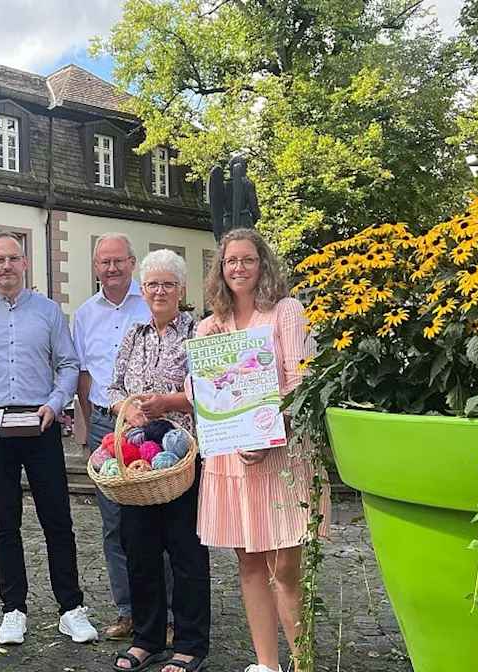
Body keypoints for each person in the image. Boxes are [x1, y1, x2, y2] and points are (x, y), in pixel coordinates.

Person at [0, 231, 99, 646]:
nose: (7, 266)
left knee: (57, 519)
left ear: (25, 263)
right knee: (5, 521)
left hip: (40, 423)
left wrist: (55, 404)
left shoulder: (49, 312)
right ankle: (13, 608)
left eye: (13, 258)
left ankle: (71, 607)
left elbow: (68, 364)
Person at [196, 228, 332, 672]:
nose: (239, 268)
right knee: (250, 567)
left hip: (281, 455)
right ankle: (266, 664)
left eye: (248, 260)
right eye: (231, 260)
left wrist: (269, 431)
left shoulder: (287, 311)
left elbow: (299, 382)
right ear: (221, 267)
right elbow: (200, 388)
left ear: (263, 264)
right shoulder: (209, 325)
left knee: (286, 572)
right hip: (232, 461)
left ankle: (303, 665)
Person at [104, 249, 210, 672]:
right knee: (139, 548)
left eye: (168, 284)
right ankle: (148, 637)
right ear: (142, 289)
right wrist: (125, 411)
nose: (160, 291)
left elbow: (213, 390)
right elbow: (112, 388)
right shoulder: (134, 334)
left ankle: (190, 644)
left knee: (185, 551)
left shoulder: (199, 332)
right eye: (152, 284)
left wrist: (172, 401)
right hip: (136, 461)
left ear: (181, 290)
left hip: (182, 457)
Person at [72, 234, 173, 643]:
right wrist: (84, 425)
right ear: (95, 267)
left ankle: (166, 615)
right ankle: (129, 610)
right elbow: (83, 373)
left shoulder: (149, 301)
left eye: (118, 261)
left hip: (154, 423)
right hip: (104, 424)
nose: (111, 268)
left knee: (159, 522)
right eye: (103, 262)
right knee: (115, 526)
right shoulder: (83, 314)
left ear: (132, 262)